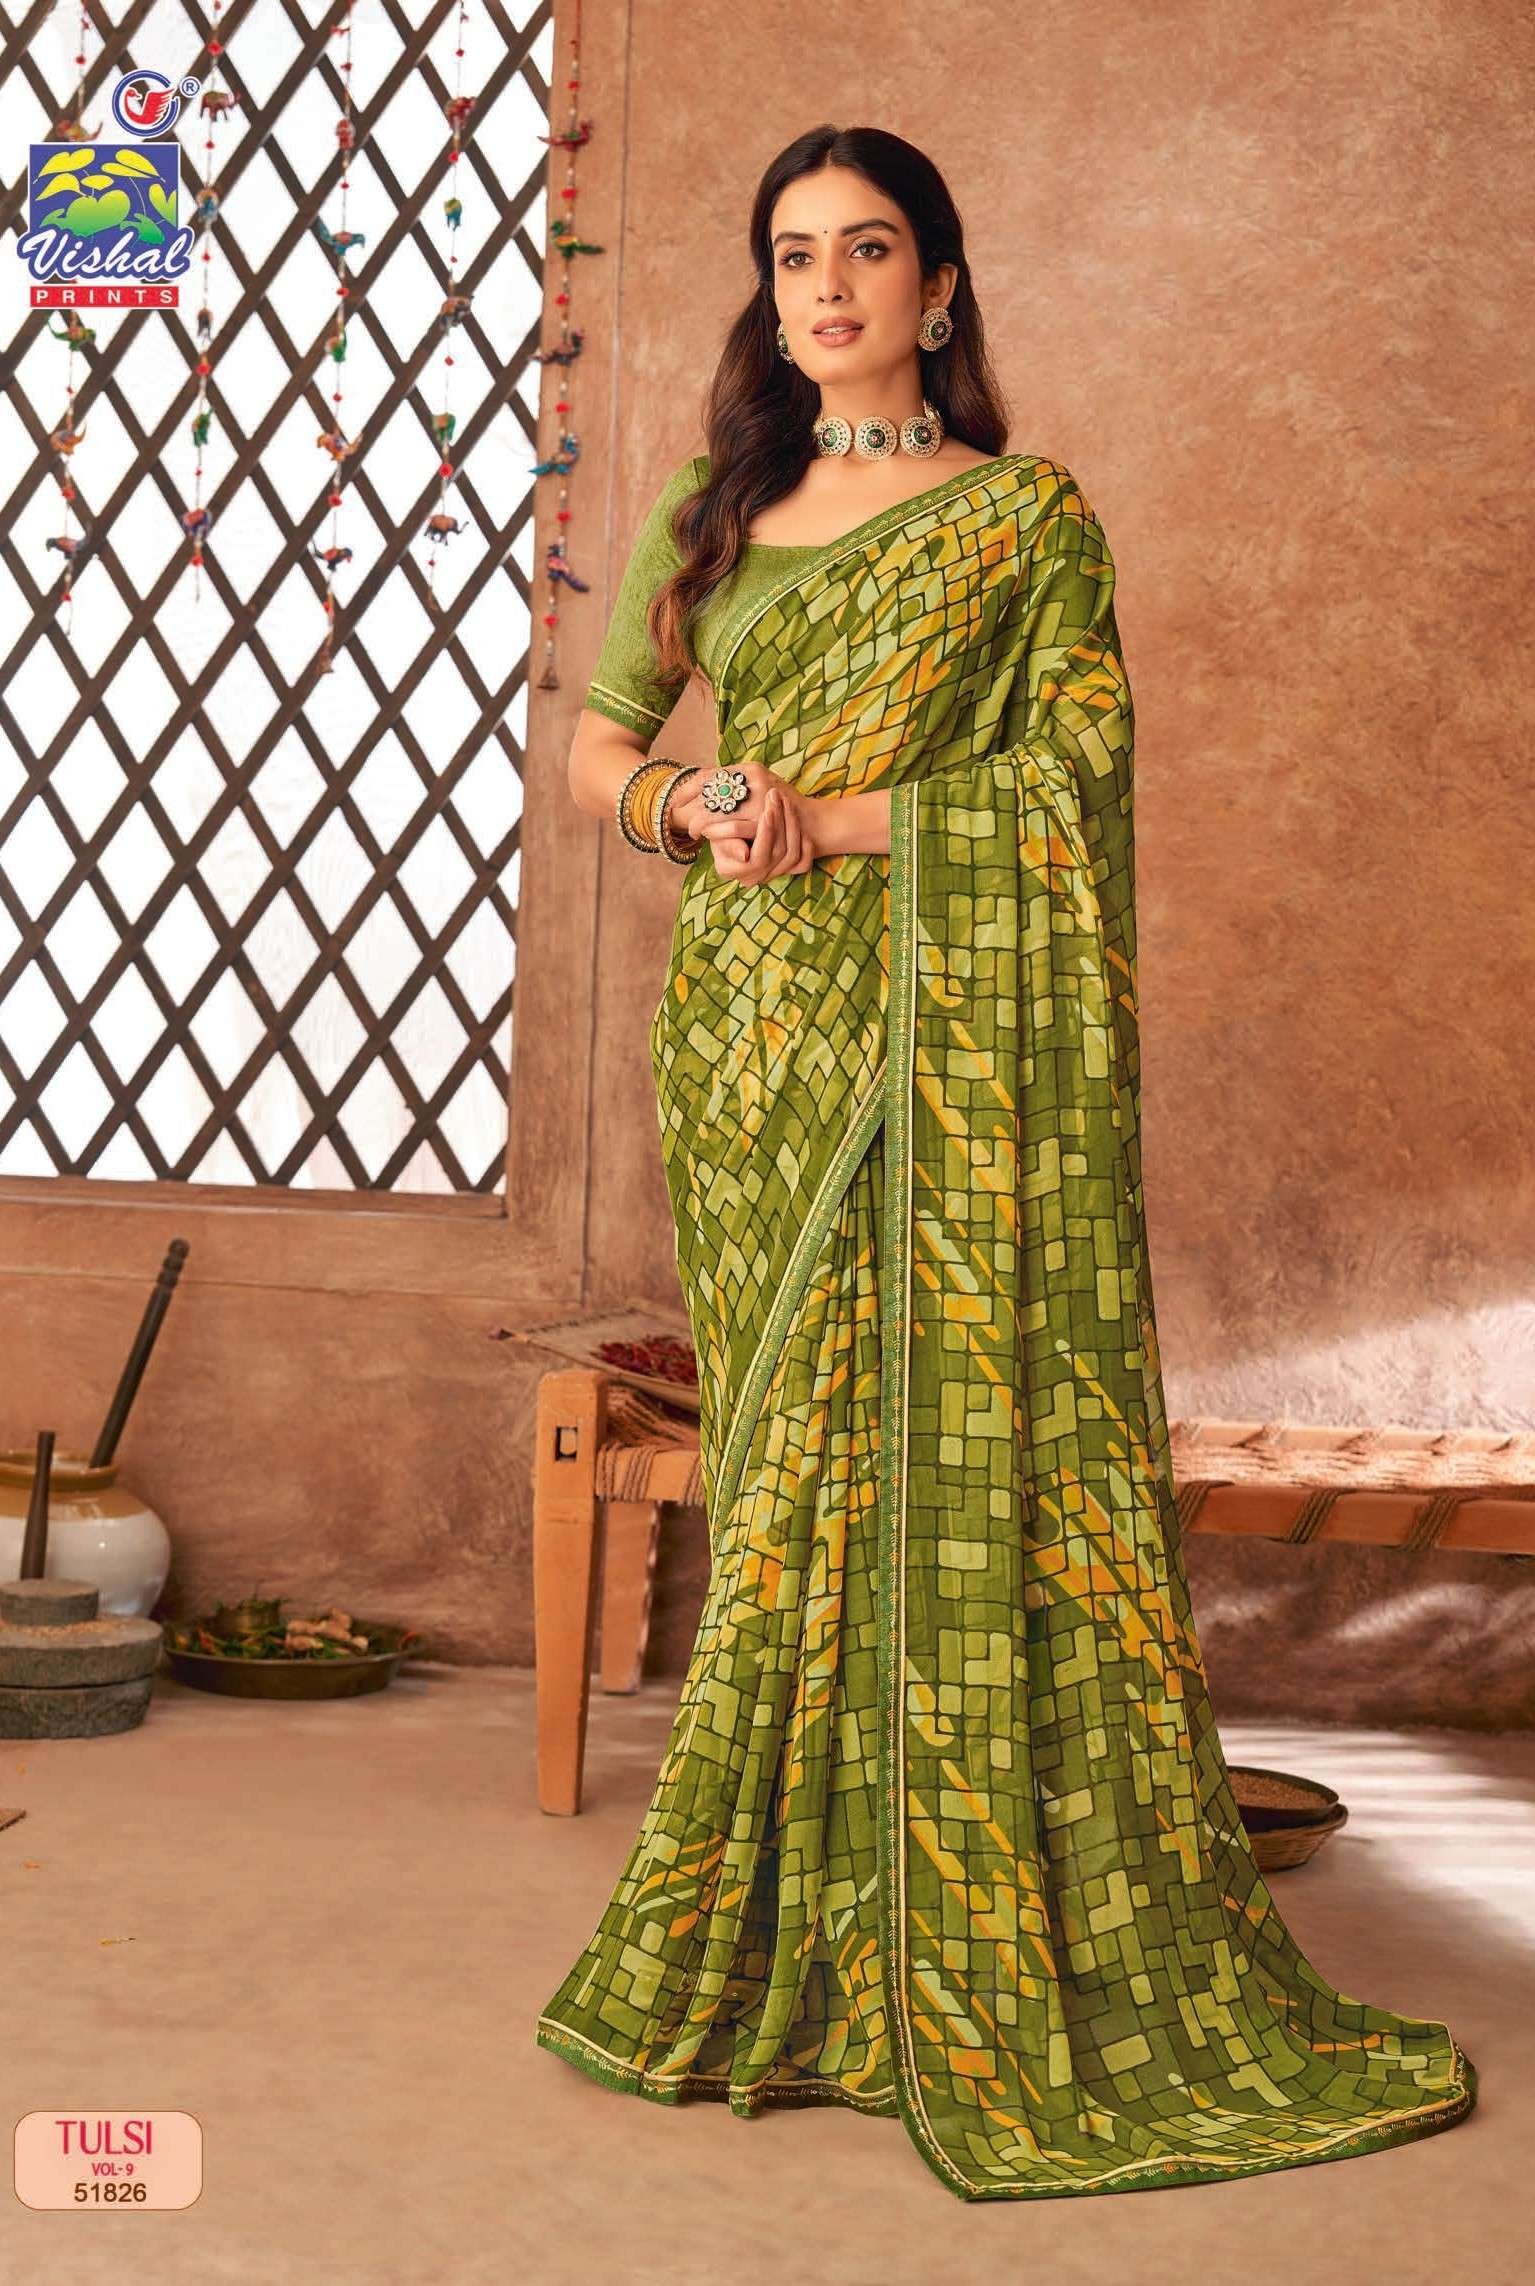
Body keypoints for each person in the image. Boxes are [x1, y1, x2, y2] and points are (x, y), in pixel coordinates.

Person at [535, 123, 1477, 2201]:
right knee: (797, 1466)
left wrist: (840, 818)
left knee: (942, 1448)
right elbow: (600, 742)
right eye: (796, 254)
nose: (829, 286)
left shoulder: (1026, 522)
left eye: (869, 249)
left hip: (947, 1023)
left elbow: (1072, 774)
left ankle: (943, 1910)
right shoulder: (714, 507)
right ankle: (792, 1926)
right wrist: (691, 810)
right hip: (758, 1043)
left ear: (940, 285)